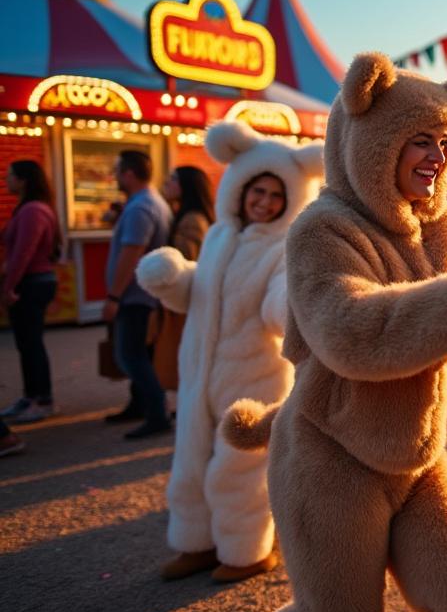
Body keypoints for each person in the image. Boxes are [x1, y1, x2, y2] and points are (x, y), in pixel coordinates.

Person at [220, 53, 447, 612]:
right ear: (369, 137)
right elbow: (352, 335)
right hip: (327, 454)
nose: (438, 157)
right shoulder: (321, 231)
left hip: (419, 458)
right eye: (420, 140)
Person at [137, 122, 322, 584]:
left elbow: (279, 300)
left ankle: (246, 551)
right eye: (258, 191)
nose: (264, 202)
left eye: (276, 196)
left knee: (238, 472)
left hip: (253, 381)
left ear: (290, 201)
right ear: (240, 189)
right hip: (201, 375)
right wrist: (171, 279)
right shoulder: (221, 235)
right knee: (190, 463)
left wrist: (290, 307)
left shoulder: (285, 248)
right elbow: (199, 295)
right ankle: (196, 544)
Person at [102, 150, 173, 439]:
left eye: (117, 170)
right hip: (140, 294)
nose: (115, 176)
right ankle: (139, 404)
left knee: (130, 356)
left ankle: (157, 412)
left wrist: (114, 296)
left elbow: (131, 254)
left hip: (135, 296)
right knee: (138, 353)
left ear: (129, 173)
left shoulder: (141, 208)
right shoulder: (145, 203)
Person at [1, 160, 62, 425]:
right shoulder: (31, 209)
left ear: (23, 180)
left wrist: (9, 286)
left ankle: (42, 398)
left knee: (31, 342)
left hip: (32, 281)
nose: (6, 181)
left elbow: (23, 252)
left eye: (10, 176)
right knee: (27, 343)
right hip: (34, 279)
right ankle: (31, 395)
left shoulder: (33, 211)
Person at [152, 166, 215, 394]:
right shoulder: (185, 215)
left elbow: (189, 261)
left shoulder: (192, 220)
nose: (166, 183)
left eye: (172, 179)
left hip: (184, 305)